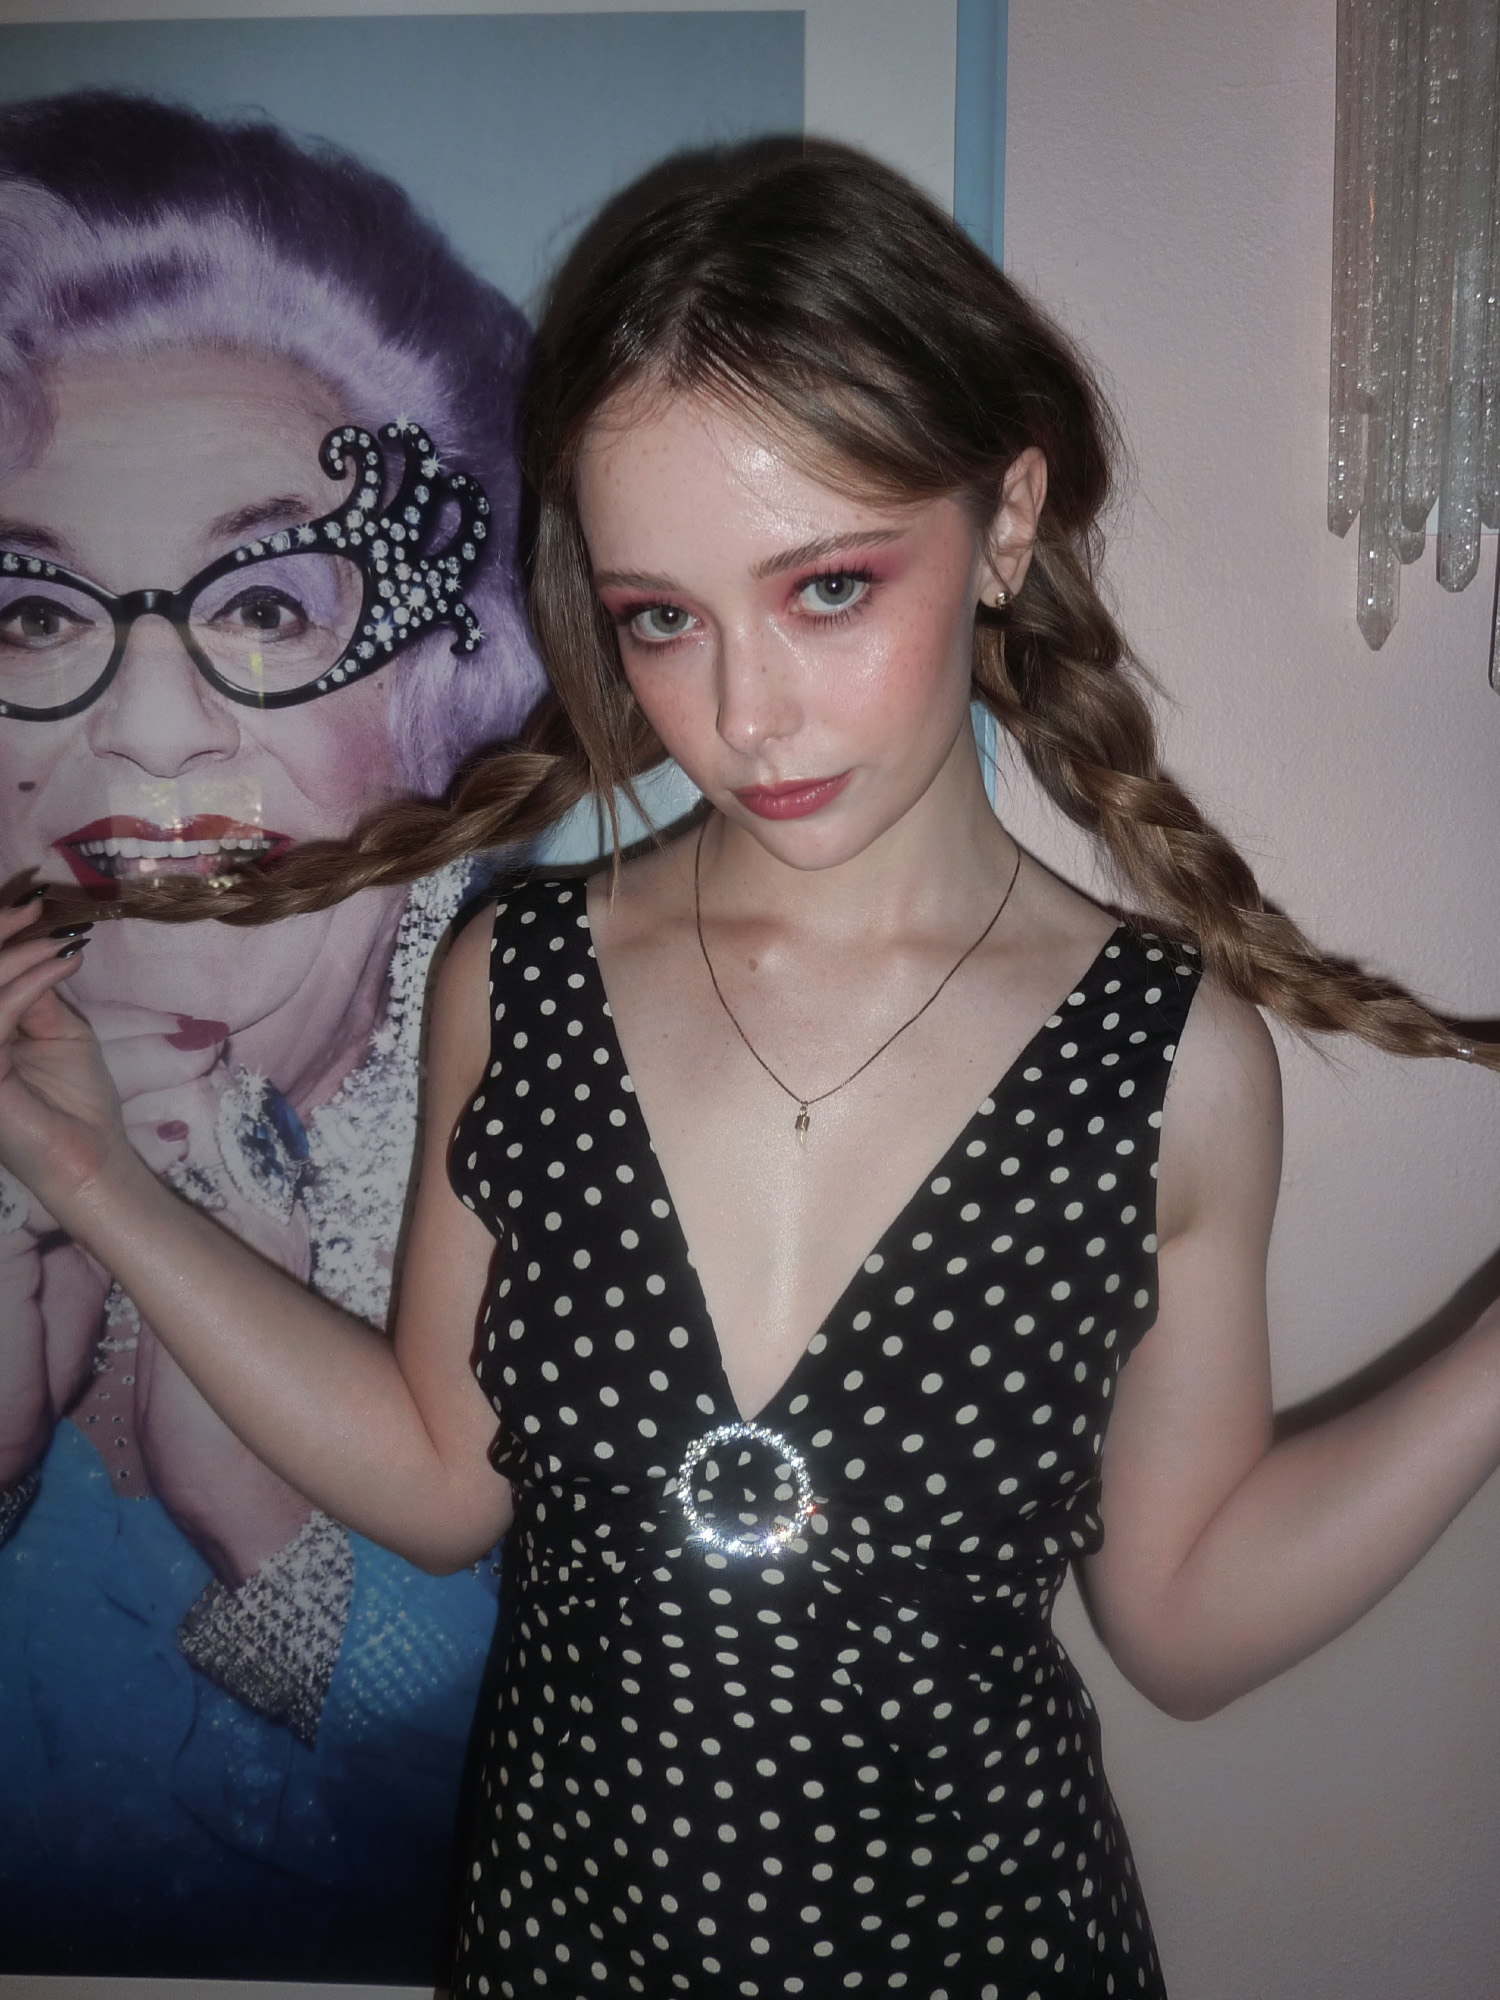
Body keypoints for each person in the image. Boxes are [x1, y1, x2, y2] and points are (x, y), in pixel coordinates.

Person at [0, 136, 1496, 1998]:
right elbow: (444, 1475)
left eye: (829, 590)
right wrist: (89, 1178)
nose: (742, 713)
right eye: (662, 621)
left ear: (1005, 521)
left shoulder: (1166, 1062)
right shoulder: (521, 981)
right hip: (565, 1952)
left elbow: (1183, 1617)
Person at [0, 92, 543, 1978]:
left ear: (437, 680)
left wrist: (270, 1537)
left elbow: (621, 1825)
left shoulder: (577, 1103)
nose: (146, 728)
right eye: (23, 604)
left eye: (263, 602)